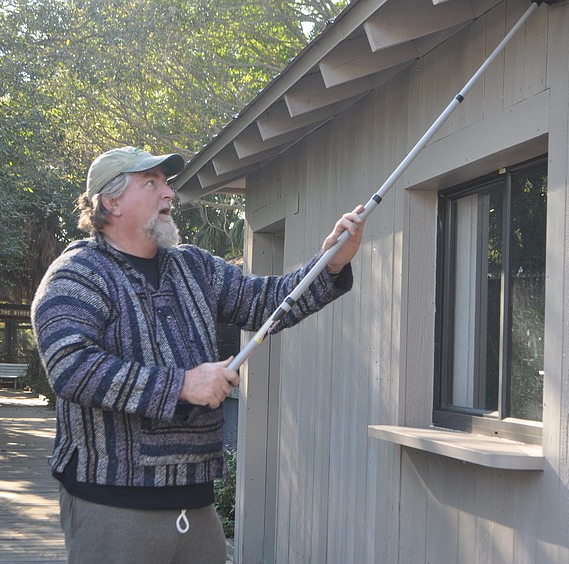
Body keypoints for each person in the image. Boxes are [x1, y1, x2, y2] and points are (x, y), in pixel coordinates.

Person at [31, 146, 364, 563]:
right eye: (151, 183)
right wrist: (184, 385)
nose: (168, 193)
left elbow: (267, 302)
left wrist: (330, 264)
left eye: (166, 182)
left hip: (198, 507)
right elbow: (71, 367)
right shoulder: (77, 274)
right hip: (112, 504)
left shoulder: (195, 267)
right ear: (111, 202)